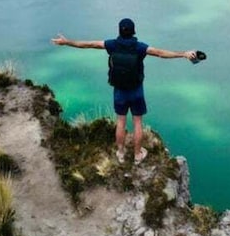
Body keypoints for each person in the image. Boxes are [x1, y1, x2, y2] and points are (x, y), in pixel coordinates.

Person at [51, 18, 198, 165]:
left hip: (119, 90)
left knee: (120, 122)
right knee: (138, 123)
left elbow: (89, 44)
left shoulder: (112, 45)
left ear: (119, 30)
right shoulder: (140, 47)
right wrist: (183, 54)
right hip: (136, 91)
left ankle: (120, 154)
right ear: (133, 31)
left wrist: (67, 42)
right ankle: (137, 155)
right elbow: (161, 53)